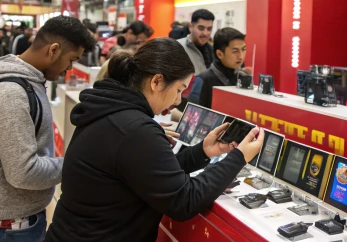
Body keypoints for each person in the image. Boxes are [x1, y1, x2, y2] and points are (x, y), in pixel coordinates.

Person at [45, 38, 264, 242]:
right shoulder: (134, 129)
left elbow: (150, 174)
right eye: (179, 89)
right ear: (157, 81)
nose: (178, 100)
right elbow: (184, 200)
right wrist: (239, 157)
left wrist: (202, 152)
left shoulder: (110, 112)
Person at [0, 16, 97, 242]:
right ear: (53, 50)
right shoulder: (12, 93)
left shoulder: (26, 83)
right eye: (71, 59)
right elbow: (23, 173)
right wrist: (78, 165)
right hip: (4, 226)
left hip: (11, 221)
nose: (69, 68)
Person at [188, 28, 247, 109]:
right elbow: (192, 116)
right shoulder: (202, 80)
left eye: (244, 49)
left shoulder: (244, 78)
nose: (241, 56)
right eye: (235, 51)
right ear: (219, 54)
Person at [178, 9, 215, 74]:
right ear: (191, 27)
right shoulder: (178, 47)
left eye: (209, 29)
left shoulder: (212, 50)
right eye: (201, 28)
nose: (205, 33)